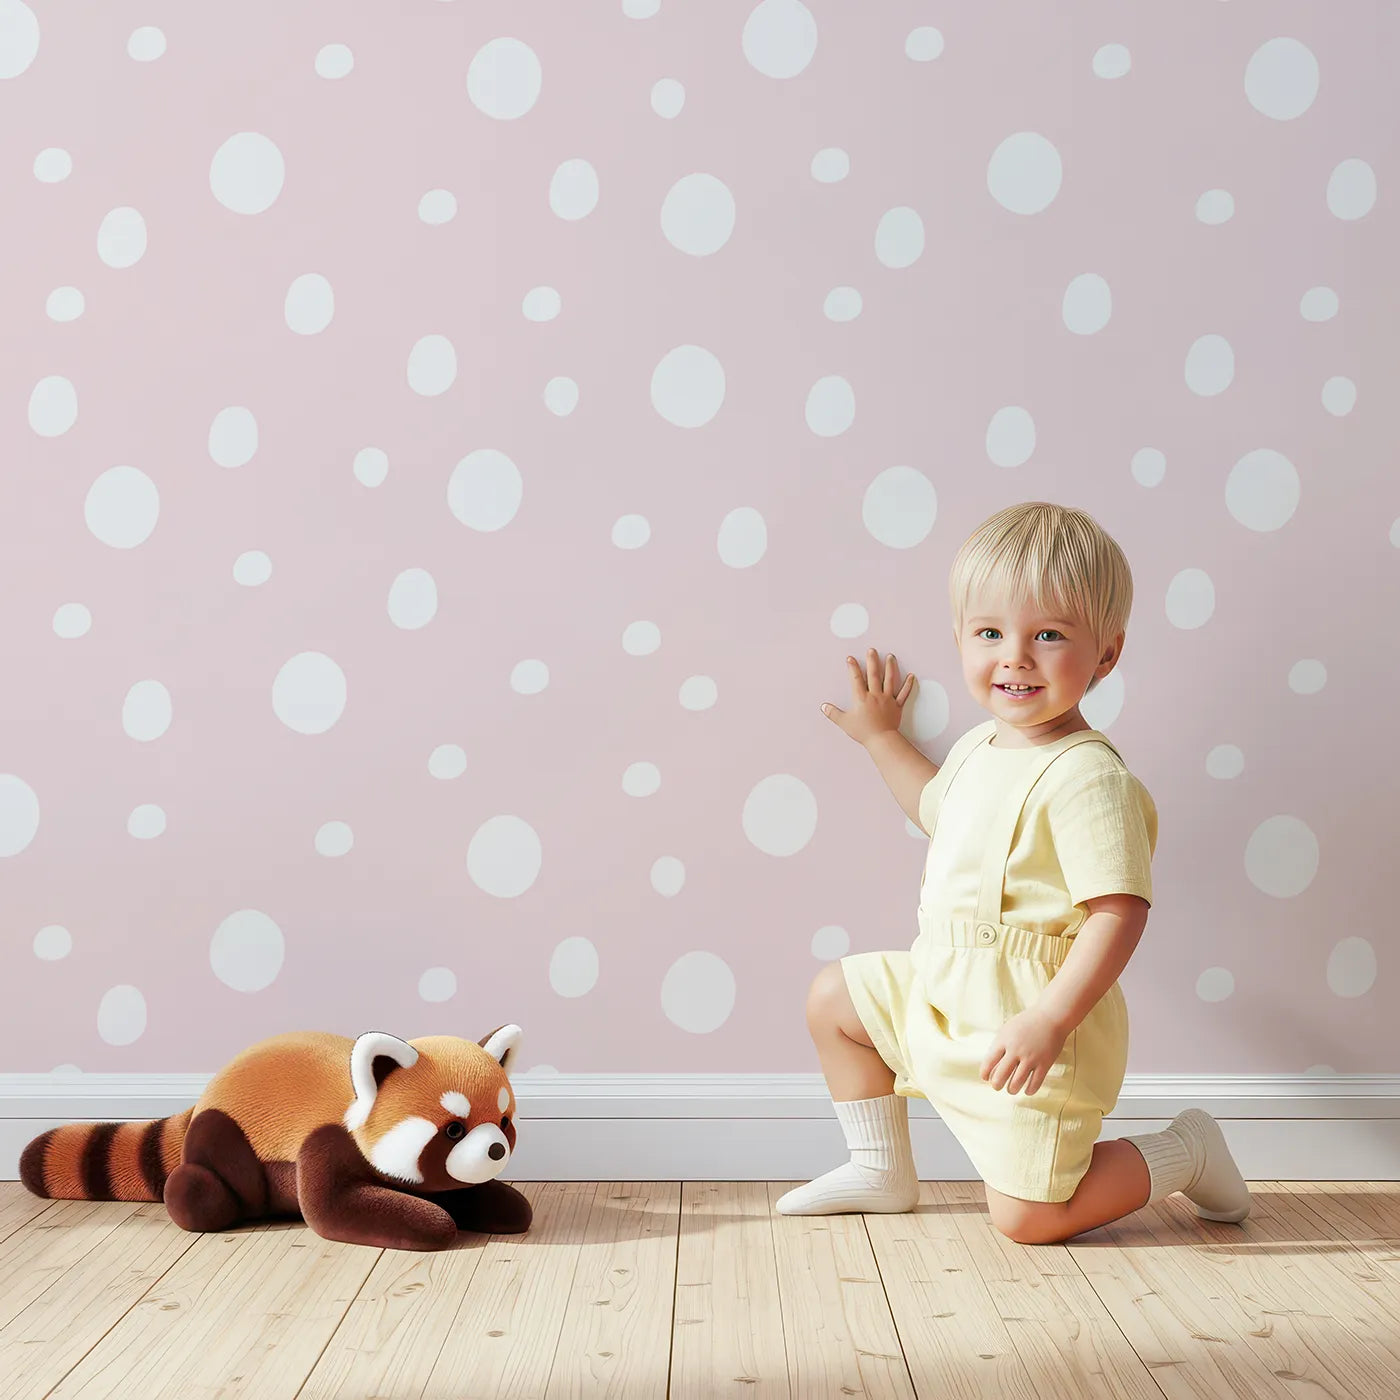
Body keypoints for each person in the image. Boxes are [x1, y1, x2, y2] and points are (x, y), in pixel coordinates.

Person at [776, 501, 1251, 1244]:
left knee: (1029, 1219)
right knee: (837, 997)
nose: (1015, 657)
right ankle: (879, 1167)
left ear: (1107, 655)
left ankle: (1187, 1150)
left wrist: (1048, 1020)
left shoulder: (1089, 779)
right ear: (961, 639)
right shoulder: (977, 750)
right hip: (943, 994)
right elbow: (935, 806)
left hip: (1029, 1021)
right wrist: (880, 739)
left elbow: (1118, 912)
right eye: (990, 633)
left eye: (1049, 636)